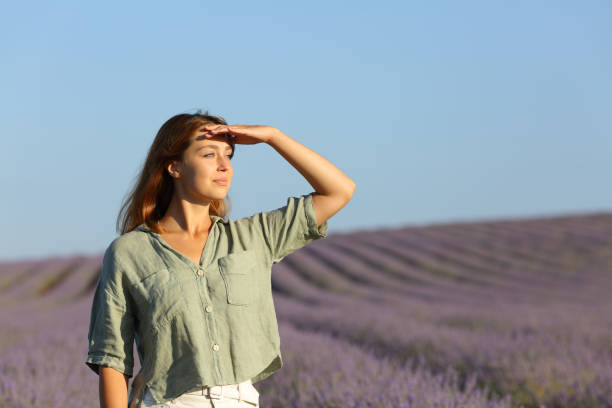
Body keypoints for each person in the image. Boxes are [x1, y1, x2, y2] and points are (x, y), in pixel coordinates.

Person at [85, 111, 356, 408]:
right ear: (174, 167)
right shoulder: (129, 252)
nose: (224, 165)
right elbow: (112, 359)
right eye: (209, 154)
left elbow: (339, 191)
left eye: (229, 155)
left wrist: (272, 137)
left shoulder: (253, 237)